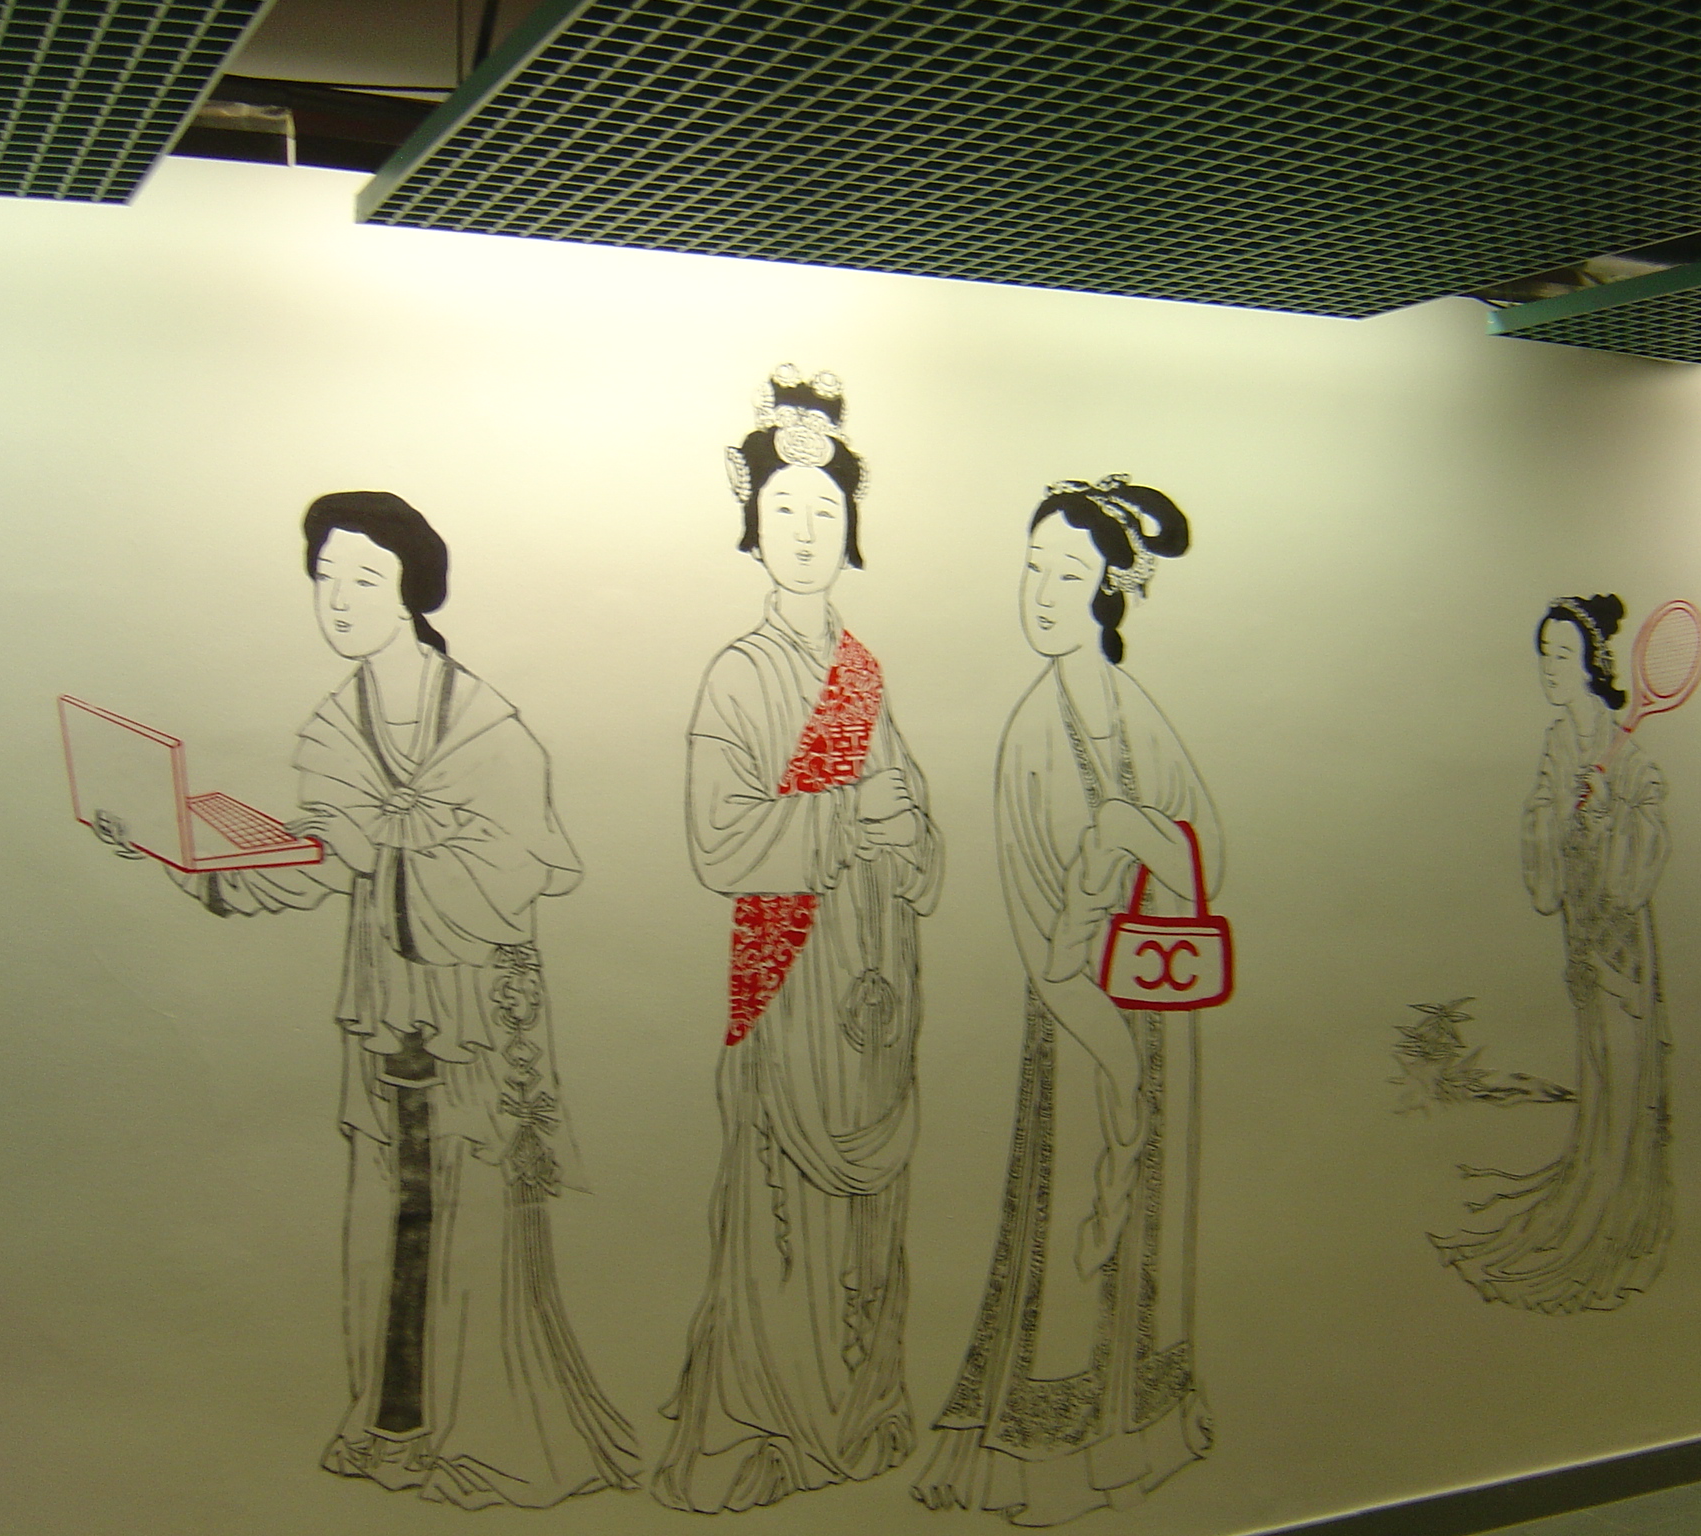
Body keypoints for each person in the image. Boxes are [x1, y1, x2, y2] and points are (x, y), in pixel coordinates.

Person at [123, 491, 639, 1507]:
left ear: (411, 589)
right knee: (388, 1208)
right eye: (325, 578)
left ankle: (485, 1432)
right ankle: (390, 1423)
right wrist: (191, 861)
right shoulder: (335, 724)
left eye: (364, 578)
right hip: (385, 1001)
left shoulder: (484, 721)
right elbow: (324, 857)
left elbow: (521, 866)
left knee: (473, 1206)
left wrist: (388, 844)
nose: (340, 599)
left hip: (470, 1007)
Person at [654, 366, 944, 1512]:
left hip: (874, 981)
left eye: (825, 510)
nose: (807, 530)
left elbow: (913, 823)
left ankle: (856, 1414)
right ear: (752, 525)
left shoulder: (864, 674)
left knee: (870, 1218)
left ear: (851, 526)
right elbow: (718, 843)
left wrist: (905, 831)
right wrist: (842, 818)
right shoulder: (736, 675)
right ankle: (764, 1425)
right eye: (785, 509)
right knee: (779, 1209)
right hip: (787, 978)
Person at [915, 476, 1220, 1528]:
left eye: (1068, 573)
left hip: (1162, 1003)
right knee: (1074, 1223)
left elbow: (1207, 866)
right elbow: (1040, 937)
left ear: (1109, 592)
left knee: (1148, 1228)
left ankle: (1139, 1432)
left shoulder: (1139, 715)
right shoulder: (1029, 734)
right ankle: (1052, 1458)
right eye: (1033, 568)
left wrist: (1135, 834)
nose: (1042, 592)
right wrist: (1113, 1053)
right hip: (1081, 1024)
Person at [1431, 595, 1674, 1313]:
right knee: (1597, 1073)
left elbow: (1649, 829)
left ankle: (1617, 1222)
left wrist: (1611, 815)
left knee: (1626, 1076)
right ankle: (1590, 1192)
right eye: (1544, 654)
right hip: (1583, 940)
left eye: (1563, 655)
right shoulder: (1559, 743)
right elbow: (1541, 832)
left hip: (1621, 945)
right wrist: (1565, 809)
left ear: (1593, 663)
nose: (1550, 668)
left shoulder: (1625, 751)